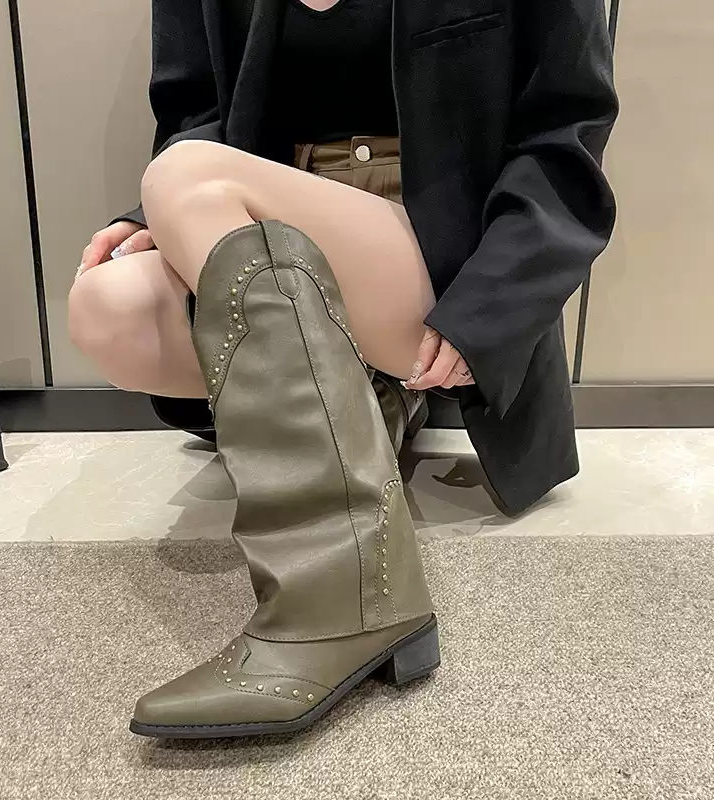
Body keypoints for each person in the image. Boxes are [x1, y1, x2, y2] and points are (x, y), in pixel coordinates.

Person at [68, 0, 617, 739]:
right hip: (269, 223)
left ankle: (346, 604)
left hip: (440, 253)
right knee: (107, 306)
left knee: (186, 176)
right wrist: (153, 220)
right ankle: (366, 404)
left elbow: (565, 135)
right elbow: (196, 111)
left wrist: (493, 307)